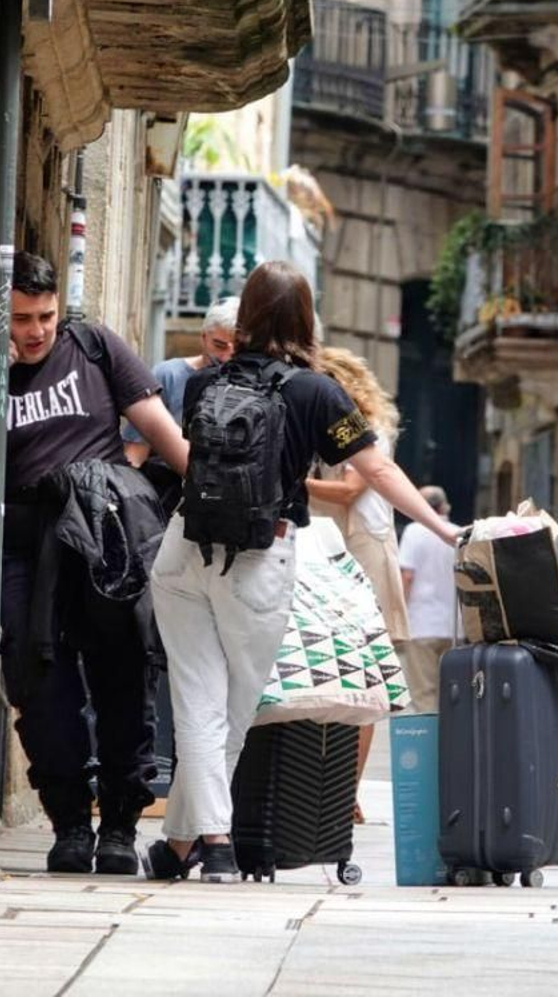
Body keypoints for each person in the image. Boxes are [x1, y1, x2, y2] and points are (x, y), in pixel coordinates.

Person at [143, 262, 457, 882]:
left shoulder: (209, 382)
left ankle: (180, 846)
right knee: (228, 710)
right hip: (260, 560)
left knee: (199, 702)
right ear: (306, 319)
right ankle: (219, 842)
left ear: (249, 315)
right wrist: (443, 528)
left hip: (184, 550)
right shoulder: (317, 393)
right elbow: (379, 472)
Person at [1, 251, 190, 875]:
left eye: (45, 316)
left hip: (104, 535)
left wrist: (228, 505)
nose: (35, 331)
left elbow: (163, 436)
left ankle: (118, 825)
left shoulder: (94, 347)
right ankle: (70, 825)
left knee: (122, 678)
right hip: (26, 544)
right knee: (41, 686)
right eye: (21, 318)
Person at [304, 346, 411, 823]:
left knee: (364, 675)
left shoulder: (368, 433)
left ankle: (346, 792)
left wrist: (290, 481)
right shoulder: (331, 430)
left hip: (363, 547)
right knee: (329, 672)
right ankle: (328, 788)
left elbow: (350, 492)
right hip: (333, 547)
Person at [123, 295, 238, 468]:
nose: (226, 358)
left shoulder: (253, 385)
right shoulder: (168, 376)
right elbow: (135, 453)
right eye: (219, 346)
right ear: (203, 337)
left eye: (236, 350)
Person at [397, 486, 459, 713]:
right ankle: (451, 744)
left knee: (424, 695)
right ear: (444, 507)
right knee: (453, 694)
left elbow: (407, 576)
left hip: (421, 624)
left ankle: (429, 746)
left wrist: (398, 615)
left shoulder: (414, 531)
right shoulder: (459, 533)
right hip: (454, 626)